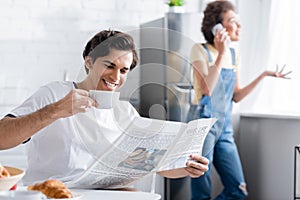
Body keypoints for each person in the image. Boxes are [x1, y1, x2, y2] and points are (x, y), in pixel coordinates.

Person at [0, 29, 209, 187]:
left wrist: (186, 167)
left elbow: (152, 164)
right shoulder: (54, 94)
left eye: (124, 70)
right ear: (89, 62)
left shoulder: (124, 113)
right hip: (52, 192)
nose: (116, 77)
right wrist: (56, 110)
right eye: (109, 65)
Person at [188, 1, 291, 199]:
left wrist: (264, 75)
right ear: (217, 27)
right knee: (201, 192)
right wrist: (221, 53)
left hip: (224, 128)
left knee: (238, 191)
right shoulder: (200, 50)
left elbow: (236, 96)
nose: (239, 26)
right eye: (233, 21)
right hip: (203, 127)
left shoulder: (234, 54)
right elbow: (207, 89)